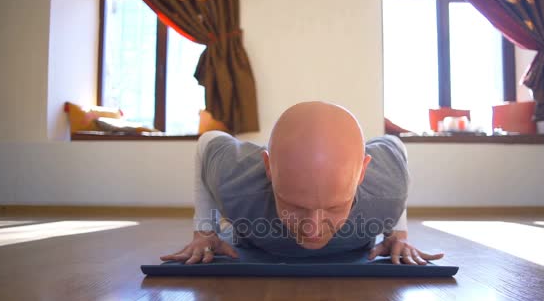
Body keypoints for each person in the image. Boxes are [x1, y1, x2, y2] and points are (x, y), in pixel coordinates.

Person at [161, 101, 444, 265]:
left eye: (334, 207)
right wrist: (205, 232)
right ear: (269, 169)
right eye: (295, 205)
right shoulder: (236, 182)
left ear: (361, 174)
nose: (312, 228)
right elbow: (208, 141)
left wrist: (398, 234)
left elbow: (395, 146)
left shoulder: (387, 189)